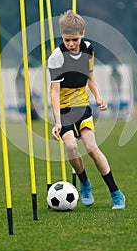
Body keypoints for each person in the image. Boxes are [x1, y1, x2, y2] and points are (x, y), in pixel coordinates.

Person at [47, 10, 125, 209]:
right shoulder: (56, 57)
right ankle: (84, 183)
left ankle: (115, 193)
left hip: (82, 106)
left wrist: (98, 97)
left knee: (91, 148)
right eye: (66, 40)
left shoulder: (89, 49)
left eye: (74, 39)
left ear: (82, 35)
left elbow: (90, 77)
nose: (71, 43)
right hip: (64, 110)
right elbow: (54, 93)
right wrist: (57, 121)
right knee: (71, 147)